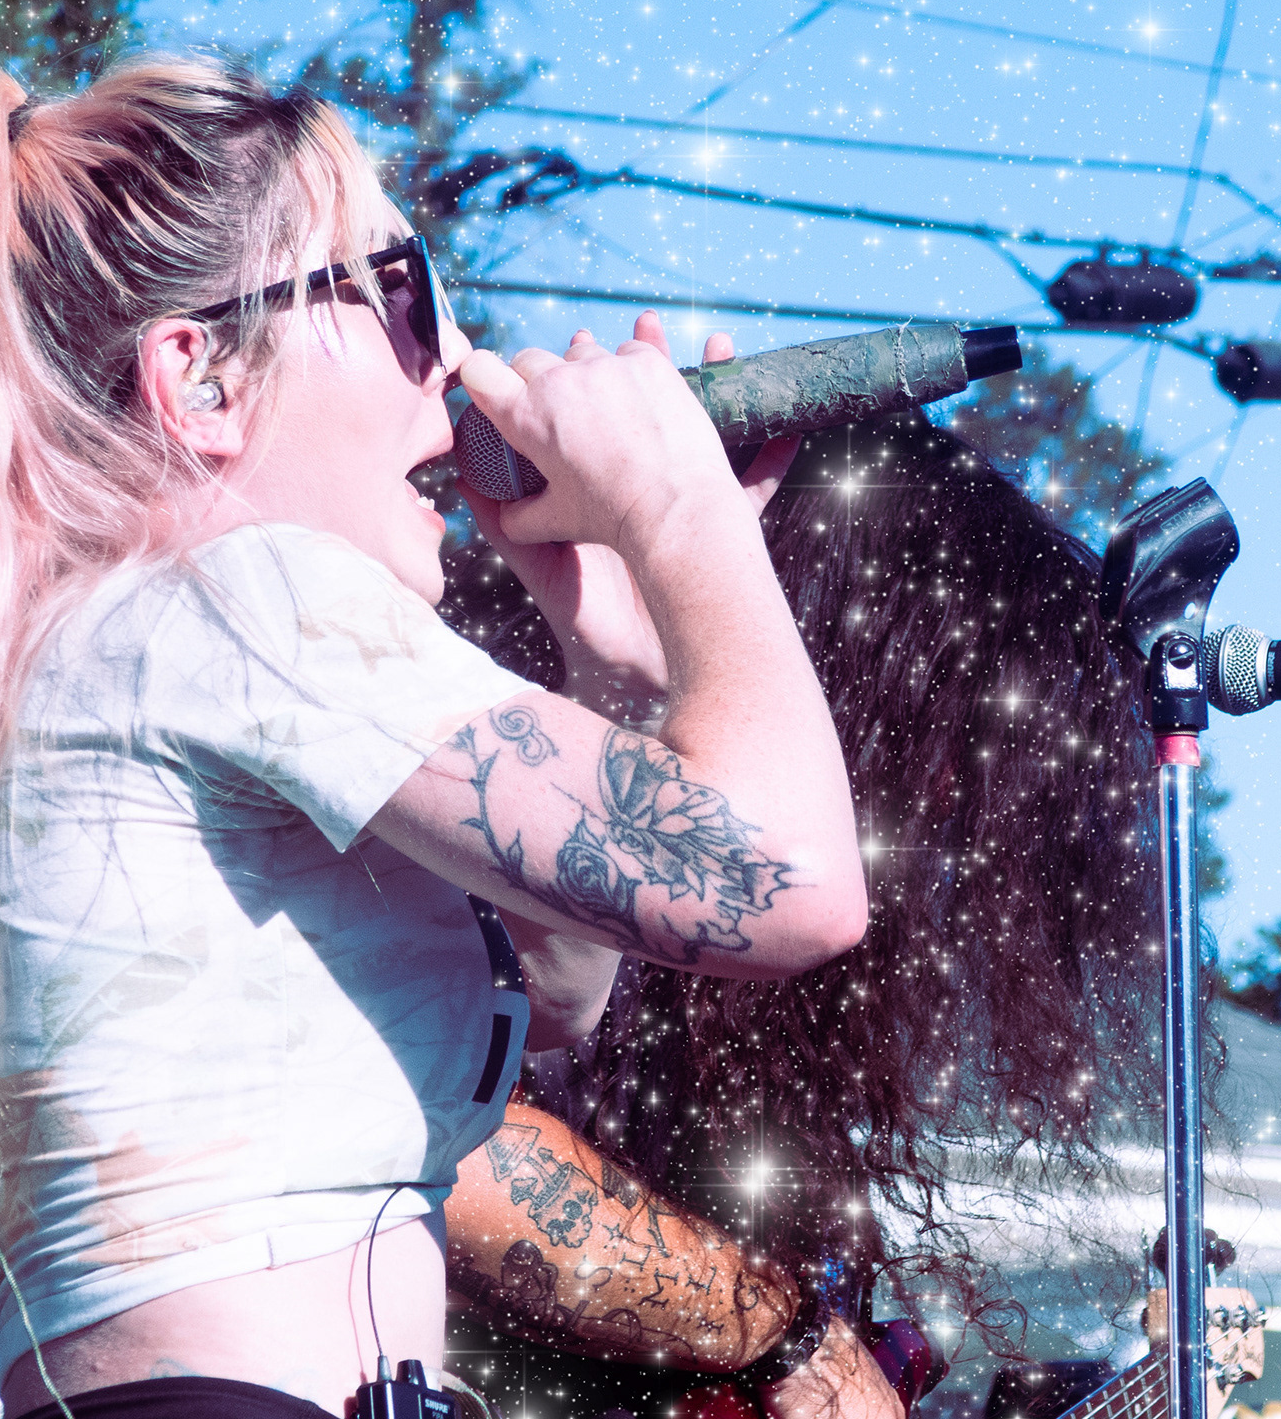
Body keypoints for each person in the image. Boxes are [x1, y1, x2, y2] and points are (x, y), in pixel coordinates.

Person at [0, 51, 870, 1419]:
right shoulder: (242, 598)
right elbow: (796, 888)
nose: (456, 358)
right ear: (203, 379)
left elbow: (555, 998)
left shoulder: (108, 641)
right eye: (401, 290)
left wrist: (617, 664)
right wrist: (683, 512)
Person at [430, 408, 1161, 1418]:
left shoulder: (764, 1035)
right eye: (939, 734)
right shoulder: (488, 789)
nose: (953, 802)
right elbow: (438, 1138)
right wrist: (789, 1340)